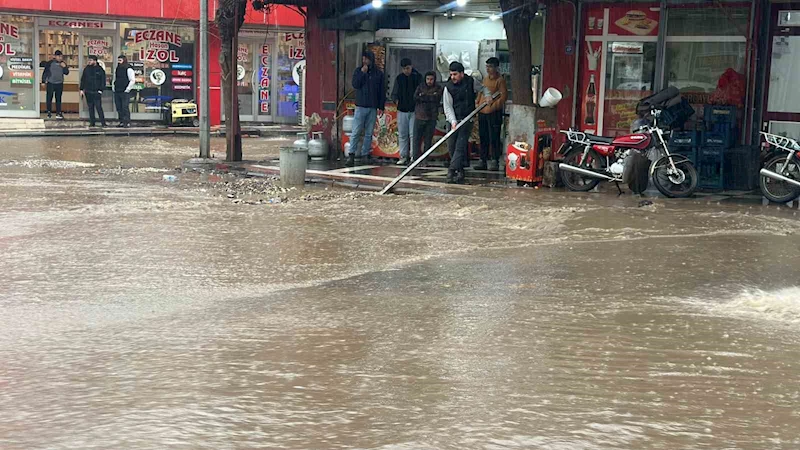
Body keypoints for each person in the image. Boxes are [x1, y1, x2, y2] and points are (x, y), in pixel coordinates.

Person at [443, 61, 490, 184]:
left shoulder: (471, 82)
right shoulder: (448, 87)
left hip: (467, 119)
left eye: (455, 74)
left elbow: (483, 88)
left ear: (462, 74)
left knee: (460, 146)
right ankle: (460, 169)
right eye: (451, 74)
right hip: (453, 119)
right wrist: (453, 121)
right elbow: (448, 107)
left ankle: (452, 170)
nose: (452, 77)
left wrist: (488, 95)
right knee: (451, 147)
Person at [348, 51, 386, 167]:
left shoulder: (378, 73)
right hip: (360, 106)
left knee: (369, 133)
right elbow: (355, 84)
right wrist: (362, 74)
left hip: (373, 106)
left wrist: (381, 106)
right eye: (363, 59)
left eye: (367, 59)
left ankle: (365, 155)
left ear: (371, 60)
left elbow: (381, 91)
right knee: (356, 132)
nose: (365, 61)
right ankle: (351, 155)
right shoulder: (358, 71)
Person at [475, 57, 508, 171]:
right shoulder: (485, 79)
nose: (488, 69)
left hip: (494, 113)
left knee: (494, 136)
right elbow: (481, 91)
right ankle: (482, 159)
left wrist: (493, 107)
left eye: (490, 67)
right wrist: (477, 102)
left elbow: (503, 97)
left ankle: (494, 159)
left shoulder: (500, 80)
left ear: (496, 67)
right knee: (483, 136)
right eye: (487, 66)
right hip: (482, 111)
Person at [391, 58, 422, 165]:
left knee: (413, 134)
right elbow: (394, 93)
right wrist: (395, 100)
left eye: (407, 68)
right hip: (402, 110)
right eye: (404, 69)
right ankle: (403, 156)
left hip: (414, 110)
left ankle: (414, 156)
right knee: (403, 134)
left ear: (411, 66)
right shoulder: (399, 78)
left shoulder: (418, 77)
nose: (406, 71)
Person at [413, 71, 443, 163]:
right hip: (419, 116)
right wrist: (428, 97)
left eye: (431, 79)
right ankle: (415, 159)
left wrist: (424, 96)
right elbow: (415, 98)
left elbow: (436, 98)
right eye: (428, 79)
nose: (429, 81)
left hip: (431, 117)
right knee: (416, 139)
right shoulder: (420, 86)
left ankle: (425, 159)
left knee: (428, 140)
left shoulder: (438, 88)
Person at [40, 50, 69, 119]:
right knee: (49, 97)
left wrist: (64, 67)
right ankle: (49, 112)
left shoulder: (63, 63)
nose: (60, 58)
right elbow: (45, 72)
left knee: (58, 98)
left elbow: (66, 73)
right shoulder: (50, 63)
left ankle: (58, 112)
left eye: (61, 56)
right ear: (55, 56)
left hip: (60, 83)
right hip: (51, 82)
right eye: (58, 56)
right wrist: (43, 81)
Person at [79, 55, 107, 128]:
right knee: (90, 108)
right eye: (88, 60)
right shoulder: (86, 69)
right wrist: (81, 89)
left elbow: (103, 81)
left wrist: (100, 90)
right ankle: (92, 122)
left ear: (95, 61)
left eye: (91, 60)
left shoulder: (100, 70)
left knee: (98, 107)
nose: (89, 62)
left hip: (96, 91)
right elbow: (83, 79)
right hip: (88, 91)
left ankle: (103, 123)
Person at [113, 55, 136, 128]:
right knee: (119, 107)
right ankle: (121, 122)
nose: (119, 62)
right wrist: (114, 87)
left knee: (125, 107)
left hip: (124, 91)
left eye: (120, 60)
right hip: (117, 90)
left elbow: (132, 80)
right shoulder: (117, 69)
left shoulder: (128, 69)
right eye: (118, 60)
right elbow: (115, 78)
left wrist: (127, 89)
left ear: (124, 60)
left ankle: (127, 122)